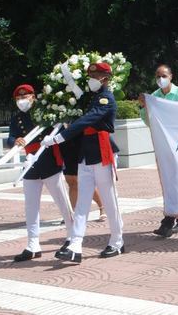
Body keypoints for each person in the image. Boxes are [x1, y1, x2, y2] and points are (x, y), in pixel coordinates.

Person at [42, 62, 124, 263]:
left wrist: (59, 138)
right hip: (86, 153)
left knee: (109, 200)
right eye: (90, 76)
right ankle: (76, 244)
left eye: (95, 77)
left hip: (102, 152)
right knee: (82, 202)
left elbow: (87, 120)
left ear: (104, 78)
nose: (91, 80)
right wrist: (67, 76)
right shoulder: (93, 98)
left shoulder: (106, 99)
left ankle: (117, 240)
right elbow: (78, 102)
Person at [7, 84, 74, 262]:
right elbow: (10, 137)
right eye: (19, 98)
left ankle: (72, 237)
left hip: (49, 160)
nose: (22, 100)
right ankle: (33, 244)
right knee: (31, 206)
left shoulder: (46, 112)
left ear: (33, 97)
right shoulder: (17, 118)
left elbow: (60, 130)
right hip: (30, 163)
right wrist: (15, 141)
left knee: (63, 203)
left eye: (26, 96)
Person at [139, 64, 178, 238]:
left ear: (171, 76)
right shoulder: (154, 97)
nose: (160, 78)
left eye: (163, 75)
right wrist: (143, 107)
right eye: (157, 75)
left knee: (177, 181)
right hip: (164, 147)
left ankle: (169, 221)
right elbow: (149, 122)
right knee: (169, 182)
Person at [60, 134, 109, 222]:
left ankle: (102, 207)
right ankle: (73, 212)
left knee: (84, 183)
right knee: (71, 182)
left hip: (79, 145)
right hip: (64, 145)